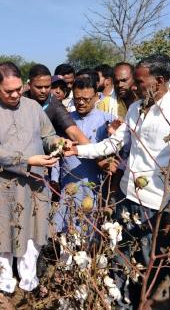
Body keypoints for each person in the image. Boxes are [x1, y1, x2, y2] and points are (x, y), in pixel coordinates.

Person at [69, 54, 170, 308]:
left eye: (140, 83)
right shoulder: (136, 108)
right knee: (121, 259)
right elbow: (116, 142)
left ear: (159, 81)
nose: (134, 88)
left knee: (147, 267)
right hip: (127, 197)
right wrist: (79, 150)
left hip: (156, 206)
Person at [0, 61, 70, 296]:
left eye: (19, 89)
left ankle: (29, 277)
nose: (16, 94)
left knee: (34, 228)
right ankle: (6, 279)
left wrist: (57, 143)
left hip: (34, 182)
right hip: (3, 183)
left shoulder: (33, 107)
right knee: (4, 229)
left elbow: (48, 134)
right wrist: (29, 160)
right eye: (9, 91)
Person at [53, 77, 115, 234]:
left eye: (86, 99)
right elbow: (55, 154)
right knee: (67, 232)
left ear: (97, 97)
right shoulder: (65, 120)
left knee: (91, 231)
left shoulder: (107, 121)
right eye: (77, 98)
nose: (81, 103)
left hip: (94, 186)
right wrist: (54, 179)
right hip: (69, 184)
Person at [24, 64, 89, 143]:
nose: (43, 91)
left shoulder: (54, 104)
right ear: (29, 85)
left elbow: (73, 130)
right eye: (39, 87)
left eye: (47, 86)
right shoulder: (19, 100)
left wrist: (92, 150)